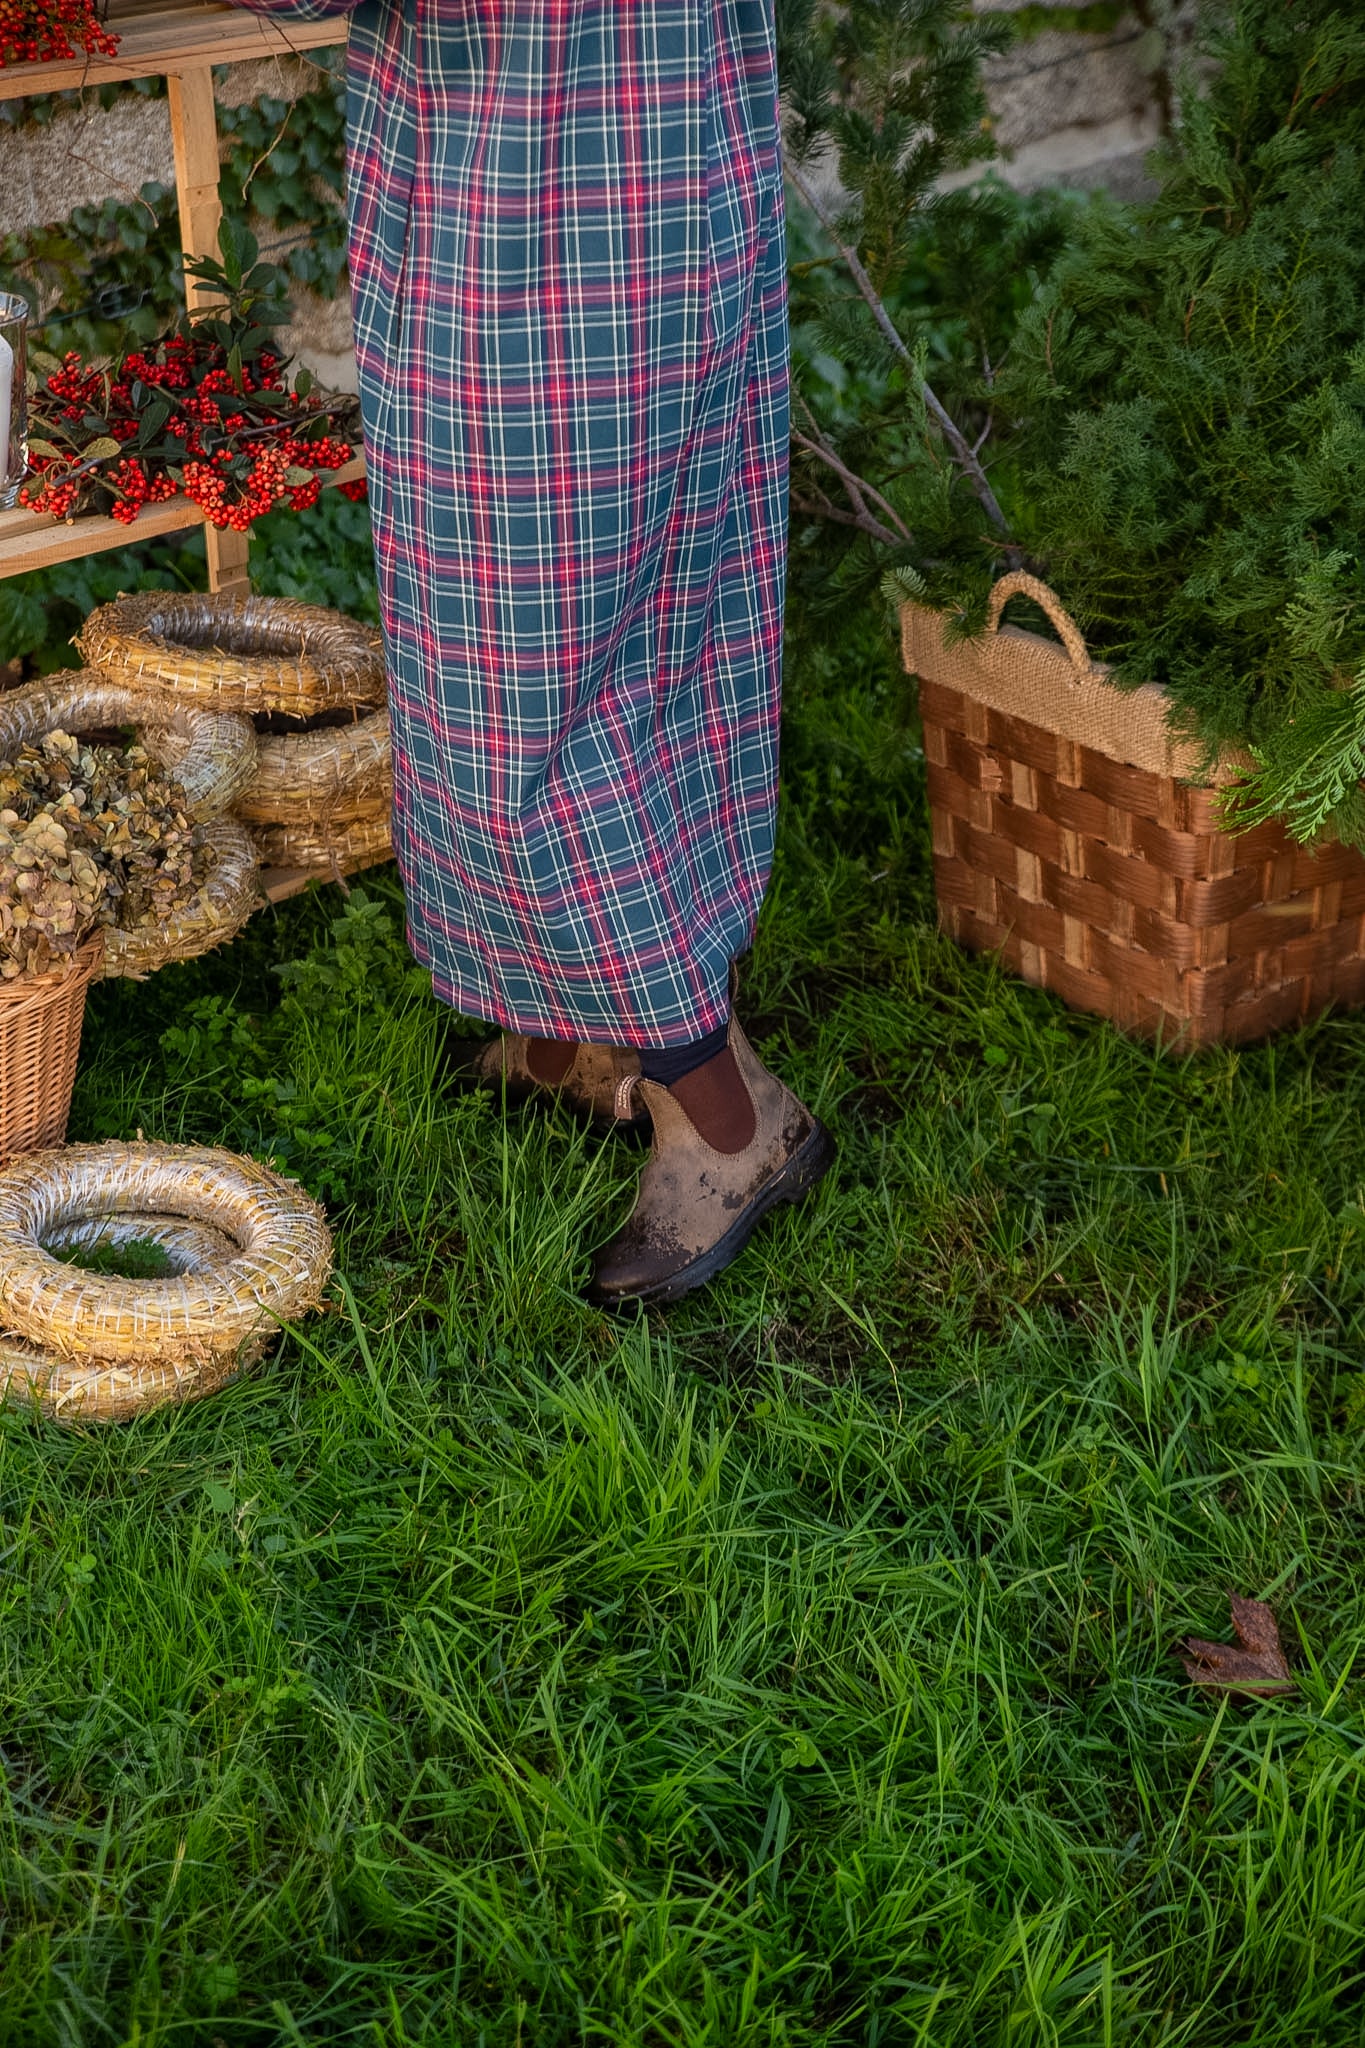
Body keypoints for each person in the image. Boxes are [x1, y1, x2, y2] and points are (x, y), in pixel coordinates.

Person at [228, 0, 833, 1301]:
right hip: (653, 178)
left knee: (523, 677)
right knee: (656, 626)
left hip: (538, 239)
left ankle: (729, 1120)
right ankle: (574, 1030)